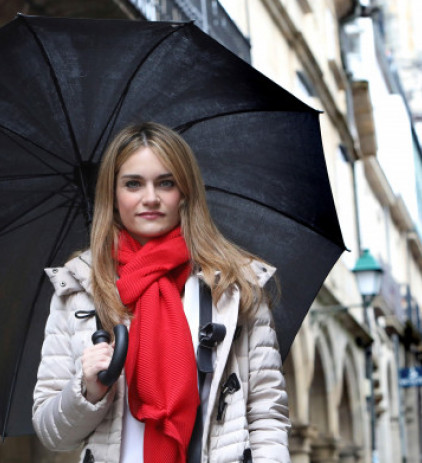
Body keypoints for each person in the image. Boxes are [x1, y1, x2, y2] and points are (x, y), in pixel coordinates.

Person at [32, 122, 290, 463]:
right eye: (133, 184)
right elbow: (53, 434)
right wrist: (88, 389)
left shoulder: (233, 286)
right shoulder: (78, 290)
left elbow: (267, 414)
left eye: (165, 183)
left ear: (184, 191)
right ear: (113, 194)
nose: (150, 198)